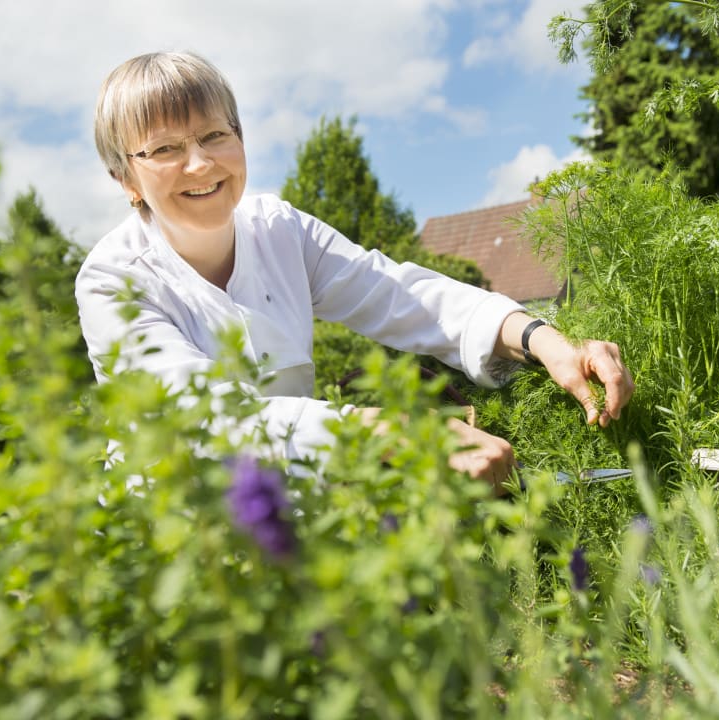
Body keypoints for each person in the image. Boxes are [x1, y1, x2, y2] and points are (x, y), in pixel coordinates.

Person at [76, 51, 634, 489]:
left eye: (215, 135)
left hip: (291, 524)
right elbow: (202, 421)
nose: (200, 163)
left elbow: (403, 295)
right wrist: (394, 432)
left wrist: (543, 340)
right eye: (165, 148)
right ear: (125, 178)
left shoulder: (279, 230)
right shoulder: (113, 281)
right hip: (168, 547)